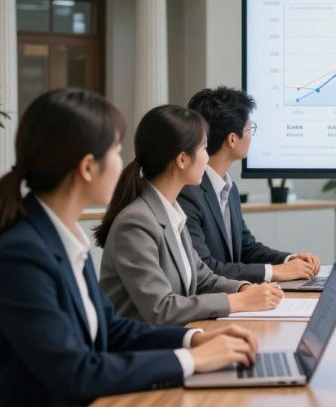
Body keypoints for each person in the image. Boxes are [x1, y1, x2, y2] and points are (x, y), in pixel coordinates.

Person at [0, 89, 260, 407]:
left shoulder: (63, 238)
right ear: (87, 167)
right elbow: (76, 372)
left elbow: (112, 329)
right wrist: (190, 360)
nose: (124, 162)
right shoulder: (21, 255)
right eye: (115, 151)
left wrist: (196, 338)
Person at [96, 104, 284, 326]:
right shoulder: (136, 222)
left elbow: (202, 277)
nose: (207, 158)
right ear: (182, 159)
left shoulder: (171, 210)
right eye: (204, 148)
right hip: (143, 351)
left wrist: (243, 288)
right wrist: (238, 301)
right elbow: (162, 309)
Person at [178, 87, 319, 283]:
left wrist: (289, 260)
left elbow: (246, 248)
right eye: (249, 128)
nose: (251, 135)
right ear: (232, 139)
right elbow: (205, 267)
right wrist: (275, 272)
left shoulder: (229, 188)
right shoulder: (187, 192)